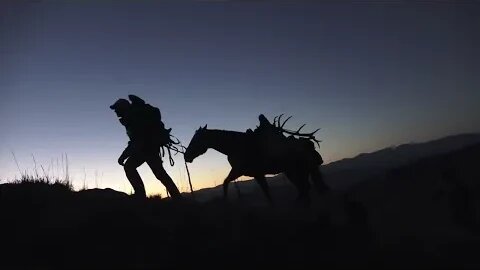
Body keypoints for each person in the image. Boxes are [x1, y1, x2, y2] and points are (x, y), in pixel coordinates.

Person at [110, 95, 181, 199]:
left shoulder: (133, 118)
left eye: (117, 109)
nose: (115, 112)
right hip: (148, 147)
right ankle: (177, 197)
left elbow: (137, 140)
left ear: (122, 108)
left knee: (131, 167)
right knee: (160, 173)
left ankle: (140, 195)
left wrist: (123, 155)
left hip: (147, 148)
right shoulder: (131, 117)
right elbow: (135, 140)